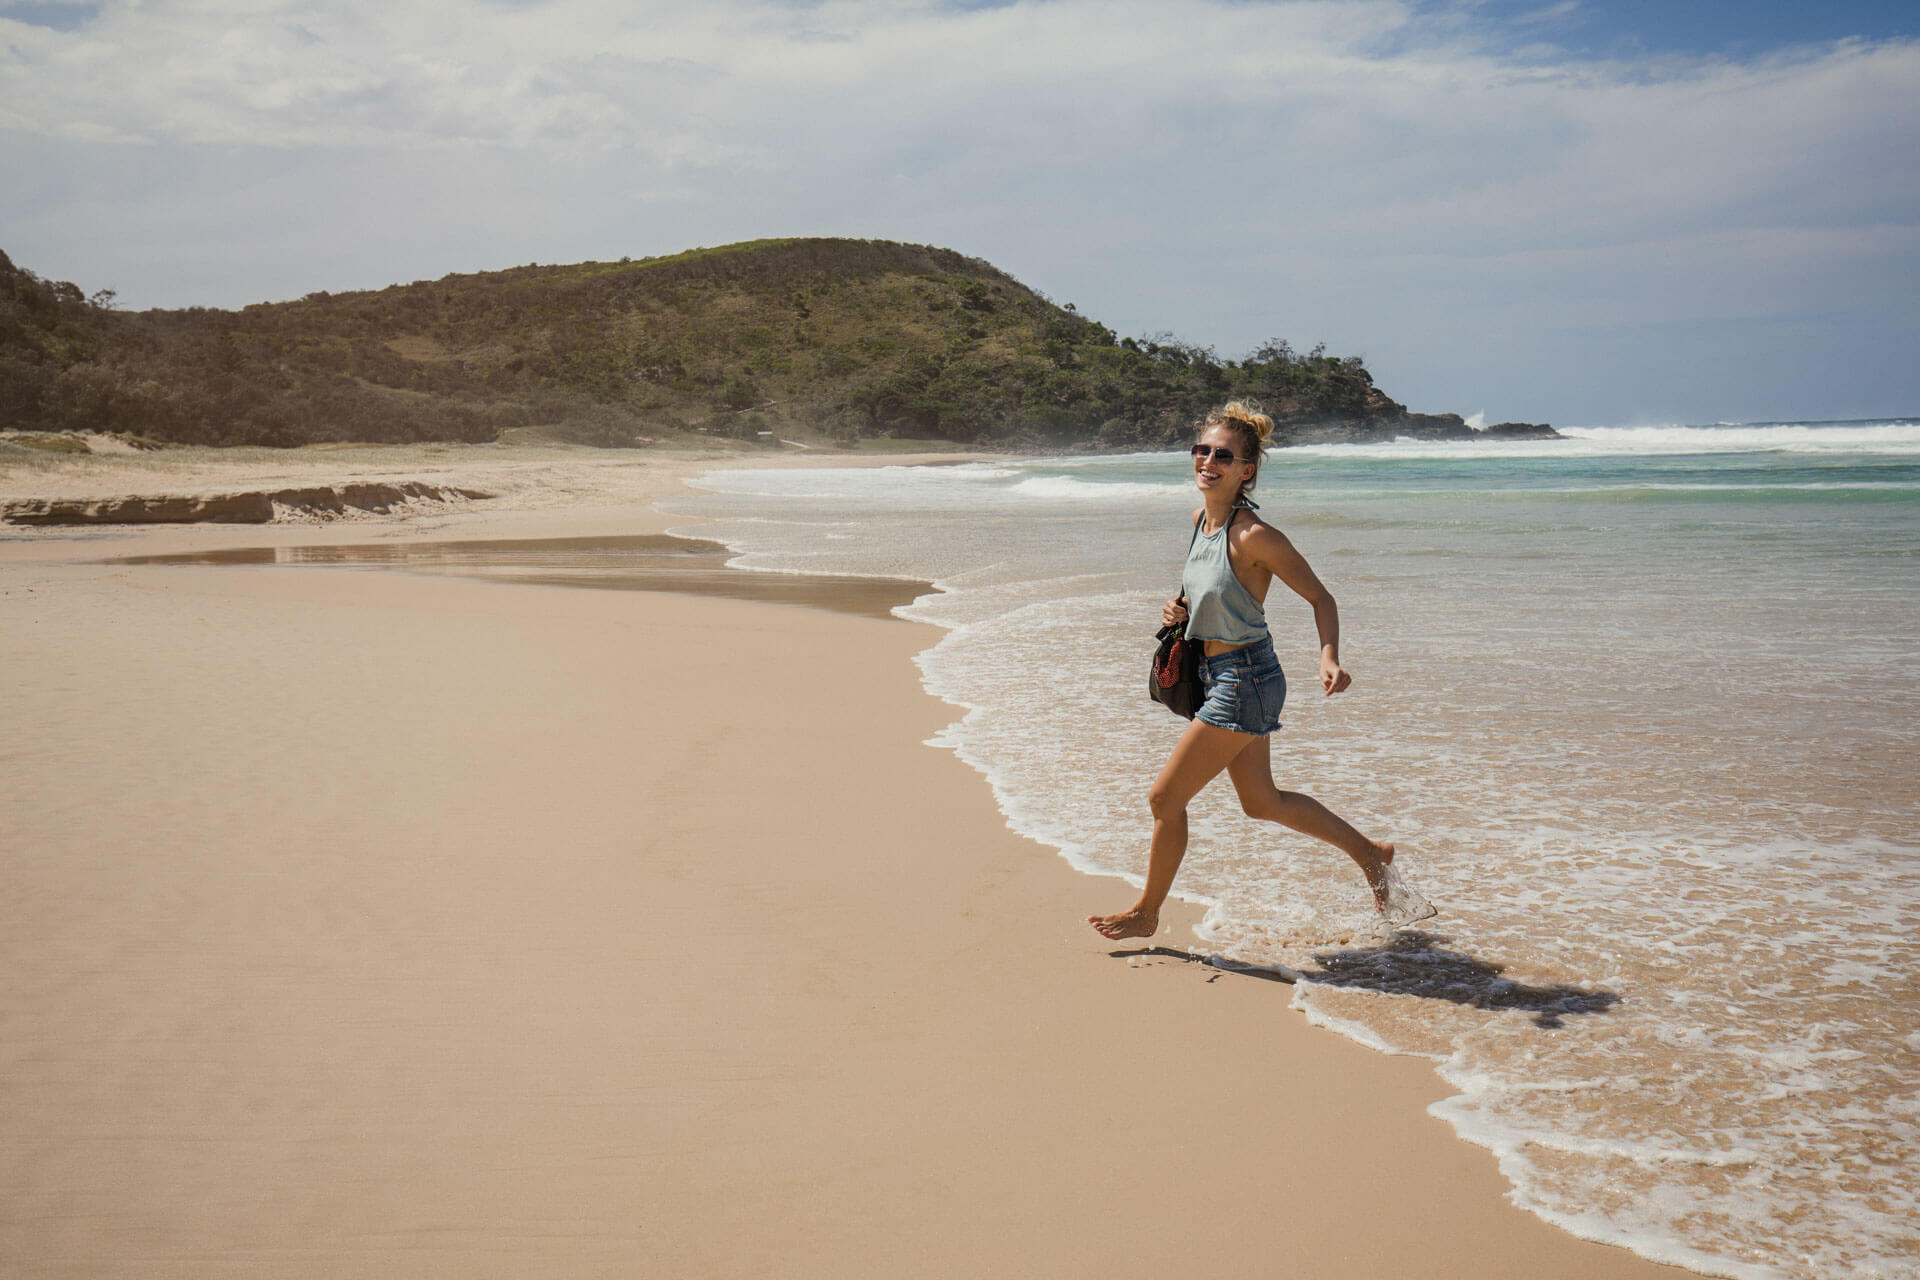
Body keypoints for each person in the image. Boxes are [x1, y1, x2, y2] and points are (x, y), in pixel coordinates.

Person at [1088, 402, 1433, 941]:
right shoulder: (1201, 521)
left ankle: (1146, 912)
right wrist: (1176, 609)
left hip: (1245, 678)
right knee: (1262, 803)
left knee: (1164, 798)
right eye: (1201, 451)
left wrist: (1329, 657)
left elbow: (1322, 598)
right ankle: (1373, 855)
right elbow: (1202, 589)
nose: (1208, 461)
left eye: (1222, 455)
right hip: (1221, 674)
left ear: (1246, 469)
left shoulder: (1255, 537)